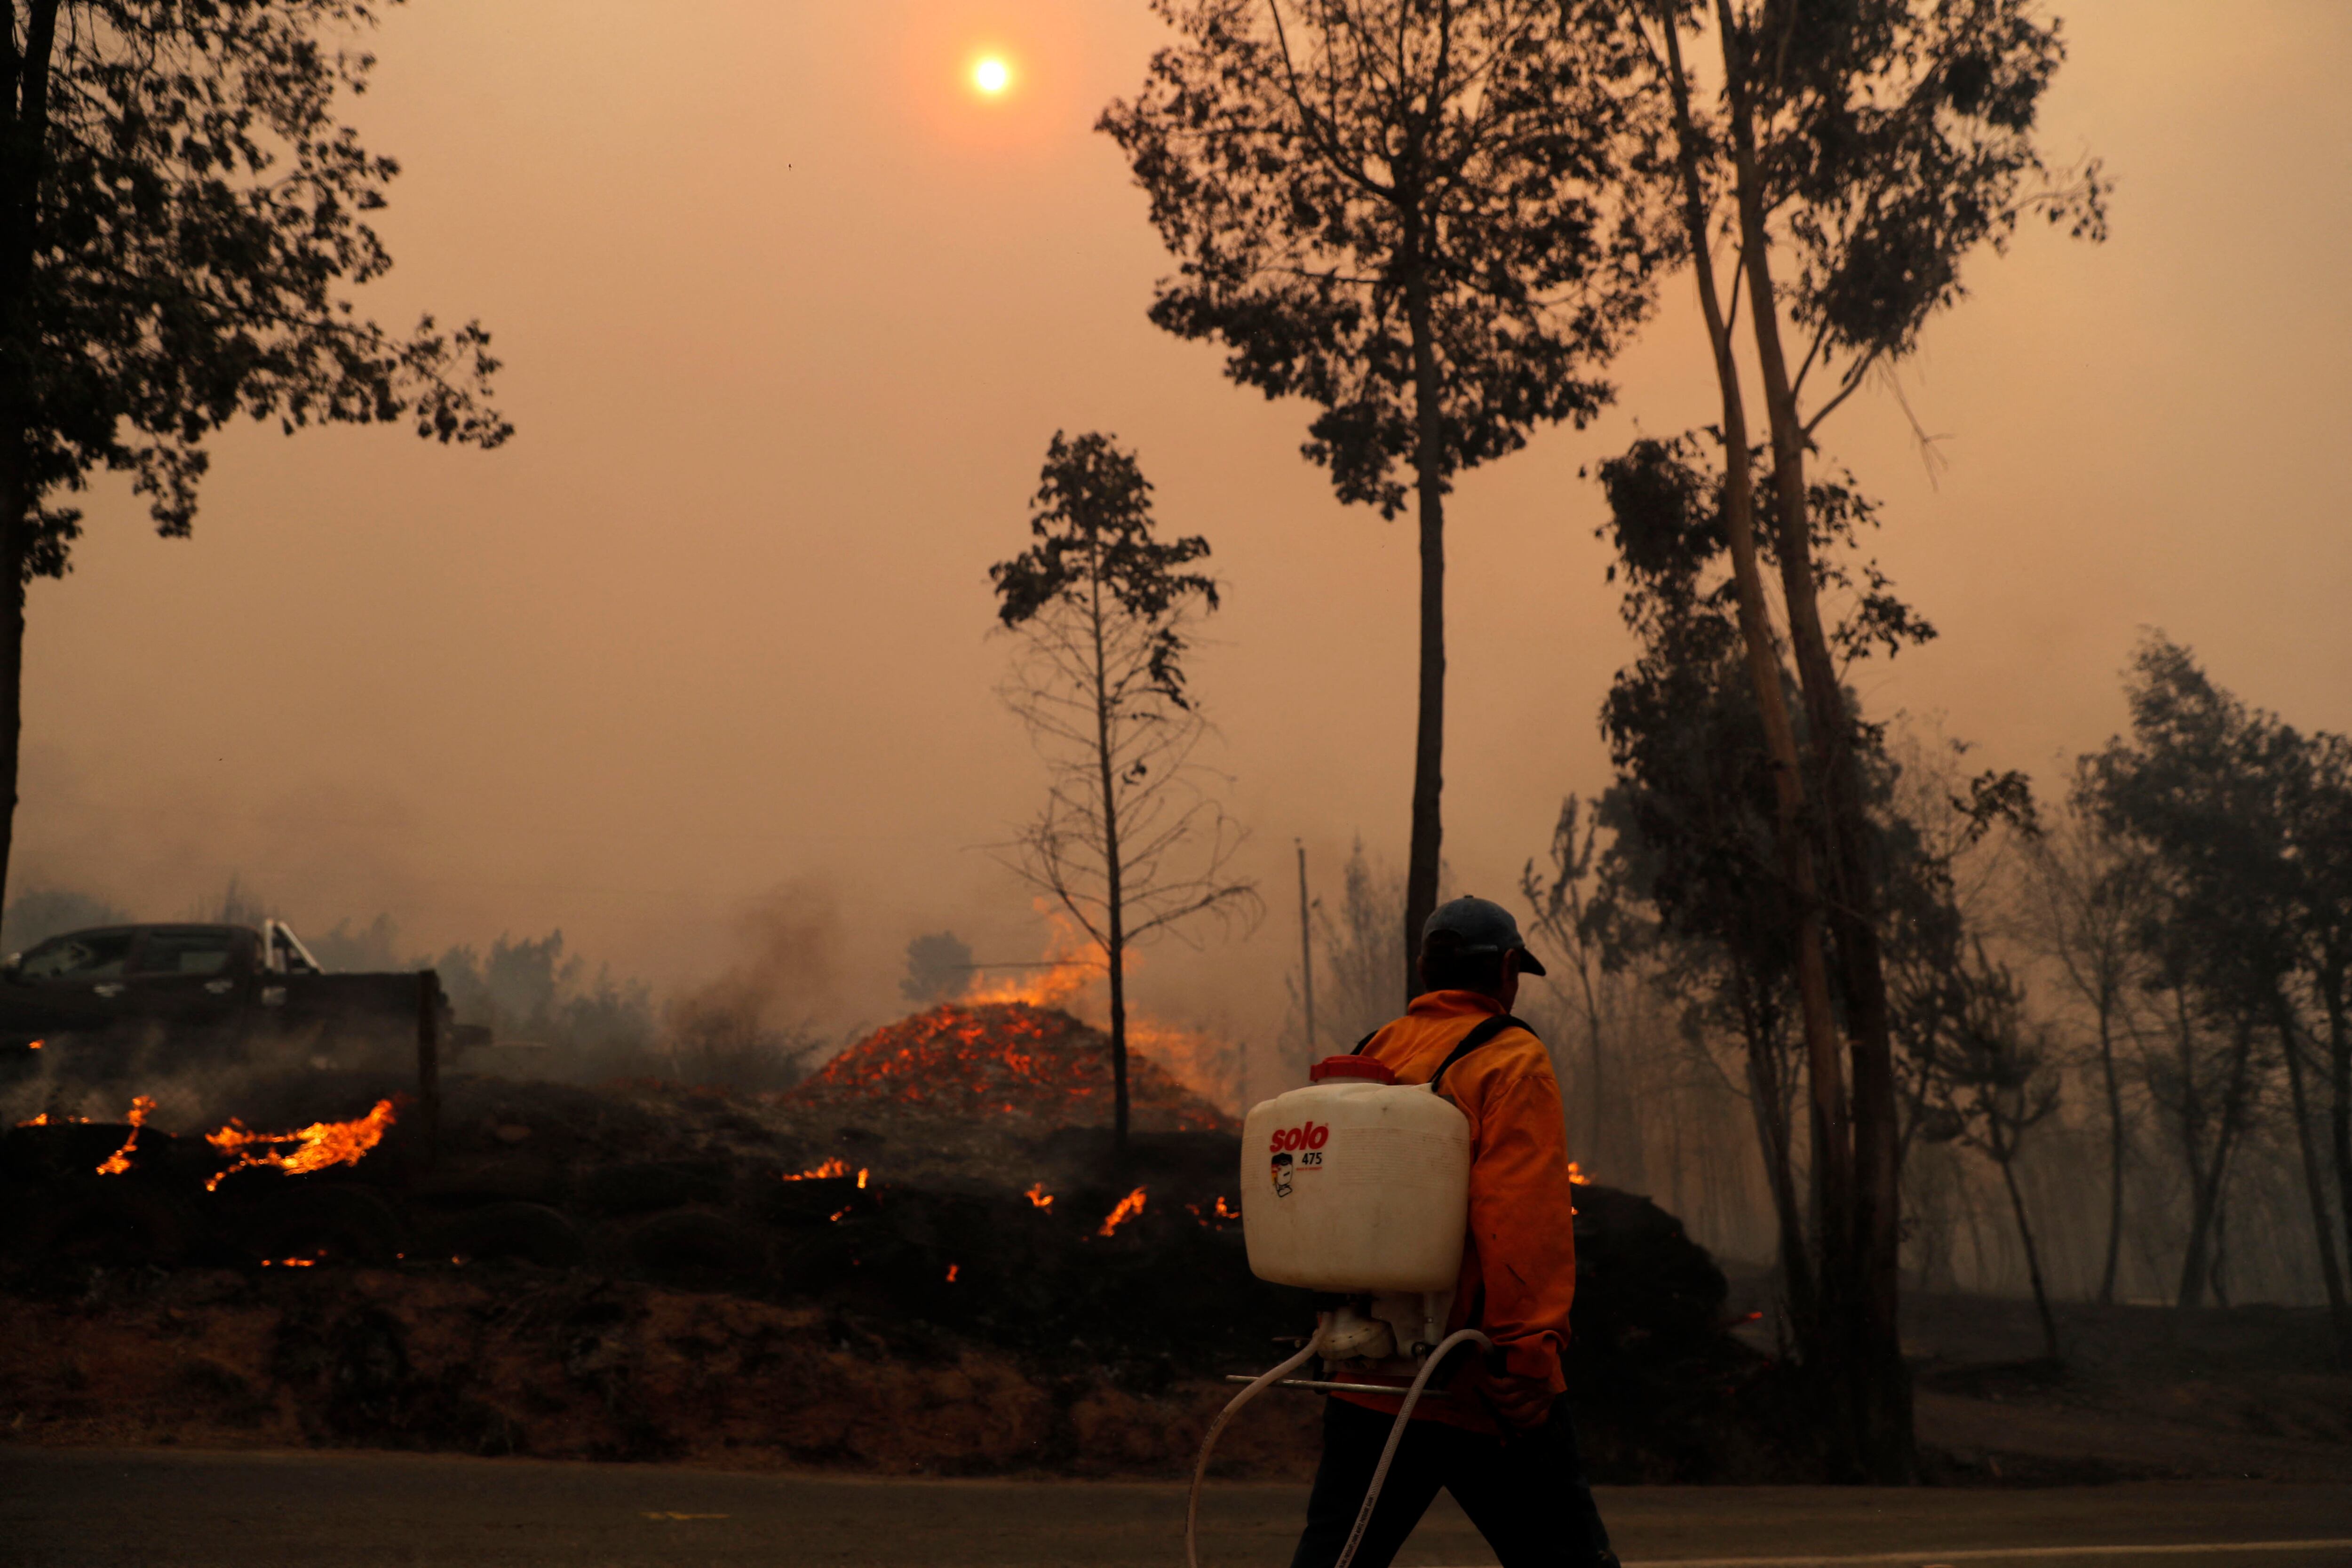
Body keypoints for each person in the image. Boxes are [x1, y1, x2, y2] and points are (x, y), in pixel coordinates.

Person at [1289, 896, 1617, 1568]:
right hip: (1481, 1382)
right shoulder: (1510, 1058)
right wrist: (1526, 1356)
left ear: (1425, 969)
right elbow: (1520, 1215)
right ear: (1506, 970)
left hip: (1370, 1371)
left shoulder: (1371, 1052)